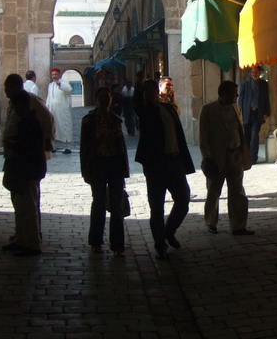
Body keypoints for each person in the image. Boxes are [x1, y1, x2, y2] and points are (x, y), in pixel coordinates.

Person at [134, 70, 195, 260]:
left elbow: (179, 136)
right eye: (146, 91)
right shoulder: (145, 112)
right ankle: (160, 245)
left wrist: (184, 160)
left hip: (174, 161)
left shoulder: (168, 108)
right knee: (157, 207)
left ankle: (169, 231)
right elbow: (137, 104)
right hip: (155, 165)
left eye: (151, 90)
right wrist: (138, 83)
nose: (149, 94)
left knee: (183, 199)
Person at [199, 80, 254, 236]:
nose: (237, 95)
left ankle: (238, 225)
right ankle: (211, 222)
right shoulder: (208, 110)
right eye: (234, 93)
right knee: (214, 191)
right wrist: (207, 157)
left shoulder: (236, 109)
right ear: (224, 93)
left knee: (237, 191)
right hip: (216, 158)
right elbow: (203, 136)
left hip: (235, 156)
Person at [3, 73, 55, 236]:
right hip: (15, 157)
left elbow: (48, 118)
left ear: (15, 86)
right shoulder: (13, 103)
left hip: (28, 160)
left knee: (29, 198)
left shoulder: (29, 100)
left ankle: (32, 234)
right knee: (18, 197)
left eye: (7, 87)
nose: (5, 91)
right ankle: (22, 233)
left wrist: (46, 141)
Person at [80, 87, 129, 256]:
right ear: (97, 99)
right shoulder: (88, 121)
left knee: (116, 206)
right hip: (97, 165)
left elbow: (122, 147)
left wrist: (124, 170)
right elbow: (84, 147)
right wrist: (85, 170)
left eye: (107, 97)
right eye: (101, 97)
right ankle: (96, 241)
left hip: (115, 166)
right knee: (98, 203)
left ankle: (118, 245)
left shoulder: (116, 119)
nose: (104, 100)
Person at [2, 89, 47, 256]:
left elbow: (30, 148)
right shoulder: (28, 120)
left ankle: (33, 245)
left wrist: (14, 145)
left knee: (28, 208)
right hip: (25, 170)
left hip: (29, 170)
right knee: (21, 208)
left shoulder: (30, 122)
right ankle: (21, 239)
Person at [238, 66, 270, 165]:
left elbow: (266, 99)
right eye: (252, 72)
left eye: (256, 72)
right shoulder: (245, 85)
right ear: (250, 73)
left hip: (258, 113)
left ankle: (253, 158)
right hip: (247, 113)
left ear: (259, 73)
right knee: (247, 137)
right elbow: (240, 99)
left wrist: (266, 113)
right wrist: (240, 113)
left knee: (254, 135)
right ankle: (246, 157)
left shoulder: (264, 84)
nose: (254, 74)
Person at [46, 67, 73, 153]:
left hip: (63, 110)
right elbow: (49, 98)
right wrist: (47, 108)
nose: (54, 76)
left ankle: (68, 147)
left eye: (56, 74)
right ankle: (53, 147)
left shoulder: (64, 83)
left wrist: (60, 84)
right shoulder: (50, 85)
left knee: (66, 127)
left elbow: (69, 89)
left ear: (59, 75)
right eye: (53, 75)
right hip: (53, 110)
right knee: (53, 127)